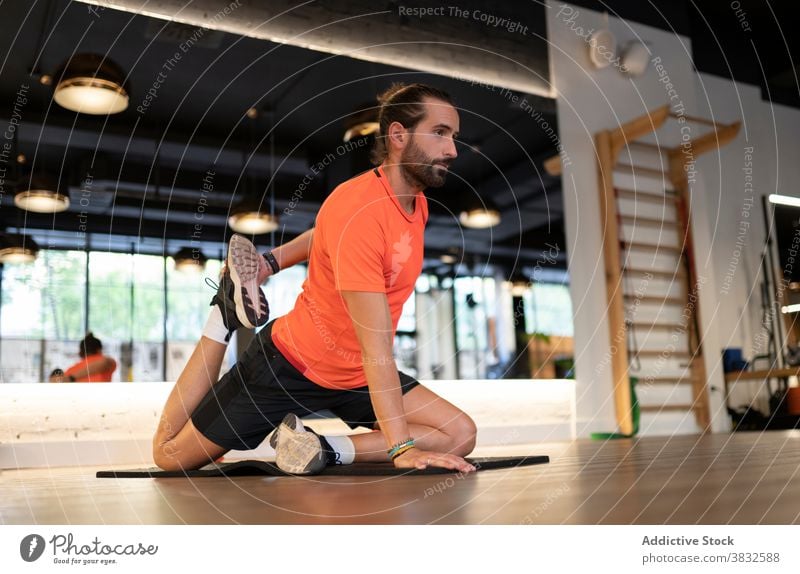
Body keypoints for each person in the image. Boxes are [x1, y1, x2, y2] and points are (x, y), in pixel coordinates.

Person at [153, 83, 476, 475]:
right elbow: (376, 347)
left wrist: (270, 262)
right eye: (440, 133)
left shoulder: (416, 204)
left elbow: (325, 233)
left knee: (459, 434)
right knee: (169, 457)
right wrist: (401, 448)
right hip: (290, 364)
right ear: (397, 135)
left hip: (354, 375)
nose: (452, 150)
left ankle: (320, 447)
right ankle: (222, 316)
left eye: (454, 137)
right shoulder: (358, 208)